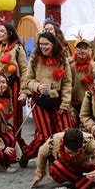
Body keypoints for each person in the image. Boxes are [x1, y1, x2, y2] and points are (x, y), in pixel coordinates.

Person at [19, 32, 76, 168]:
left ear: (53, 44)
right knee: (44, 136)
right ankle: (28, 153)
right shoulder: (35, 59)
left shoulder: (62, 59)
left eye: (46, 44)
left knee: (64, 132)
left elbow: (67, 83)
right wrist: (38, 86)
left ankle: (59, 159)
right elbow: (28, 81)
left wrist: (65, 104)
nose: (43, 47)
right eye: (41, 44)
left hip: (58, 100)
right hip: (40, 101)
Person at [31, 128, 95, 189]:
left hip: (82, 168)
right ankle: (86, 185)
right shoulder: (54, 140)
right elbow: (42, 152)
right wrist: (39, 173)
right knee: (57, 166)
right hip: (64, 171)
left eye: (77, 151)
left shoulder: (89, 142)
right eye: (69, 151)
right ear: (63, 143)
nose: (72, 154)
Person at [68, 36, 95, 121]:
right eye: (79, 48)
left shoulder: (94, 66)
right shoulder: (69, 64)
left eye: (85, 48)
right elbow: (65, 86)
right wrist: (68, 106)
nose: (82, 51)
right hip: (72, 103)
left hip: (88, 103)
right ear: (75, 50)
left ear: (89, 50)